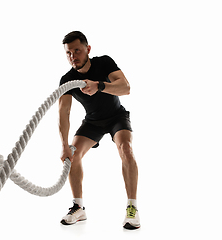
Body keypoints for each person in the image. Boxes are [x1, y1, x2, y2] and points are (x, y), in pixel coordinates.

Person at [58, 31, 140, 230]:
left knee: (126, 149)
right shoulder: (67, 80)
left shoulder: (104, 62)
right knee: (73, 154)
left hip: (116, 117)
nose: (73, 56)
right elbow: (64, 113)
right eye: (69, 53)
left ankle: (132, 209)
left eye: (77, 50)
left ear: (88, 49)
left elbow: (125, 87)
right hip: (93, 122)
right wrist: (64, 146)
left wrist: (100, 85)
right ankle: (78, 207)